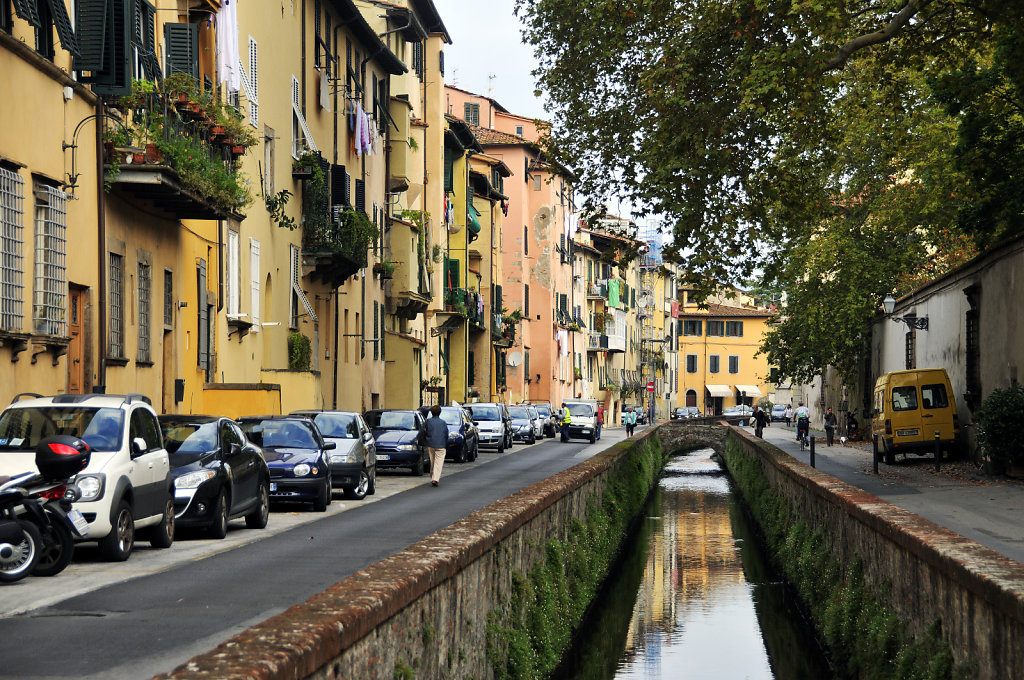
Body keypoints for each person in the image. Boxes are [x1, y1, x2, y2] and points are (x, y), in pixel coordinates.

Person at [421, 404, 448, 487]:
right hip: (441, 444)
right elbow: (446, 433)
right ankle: (435, 478)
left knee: (433, 461)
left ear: (431, 412)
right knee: (438, 462)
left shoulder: (428, 421)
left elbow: (423, 431)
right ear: (440, 413)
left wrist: (423, 441)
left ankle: (433, 475)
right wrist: (445, 442)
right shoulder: (443, 423)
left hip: (430, 444)